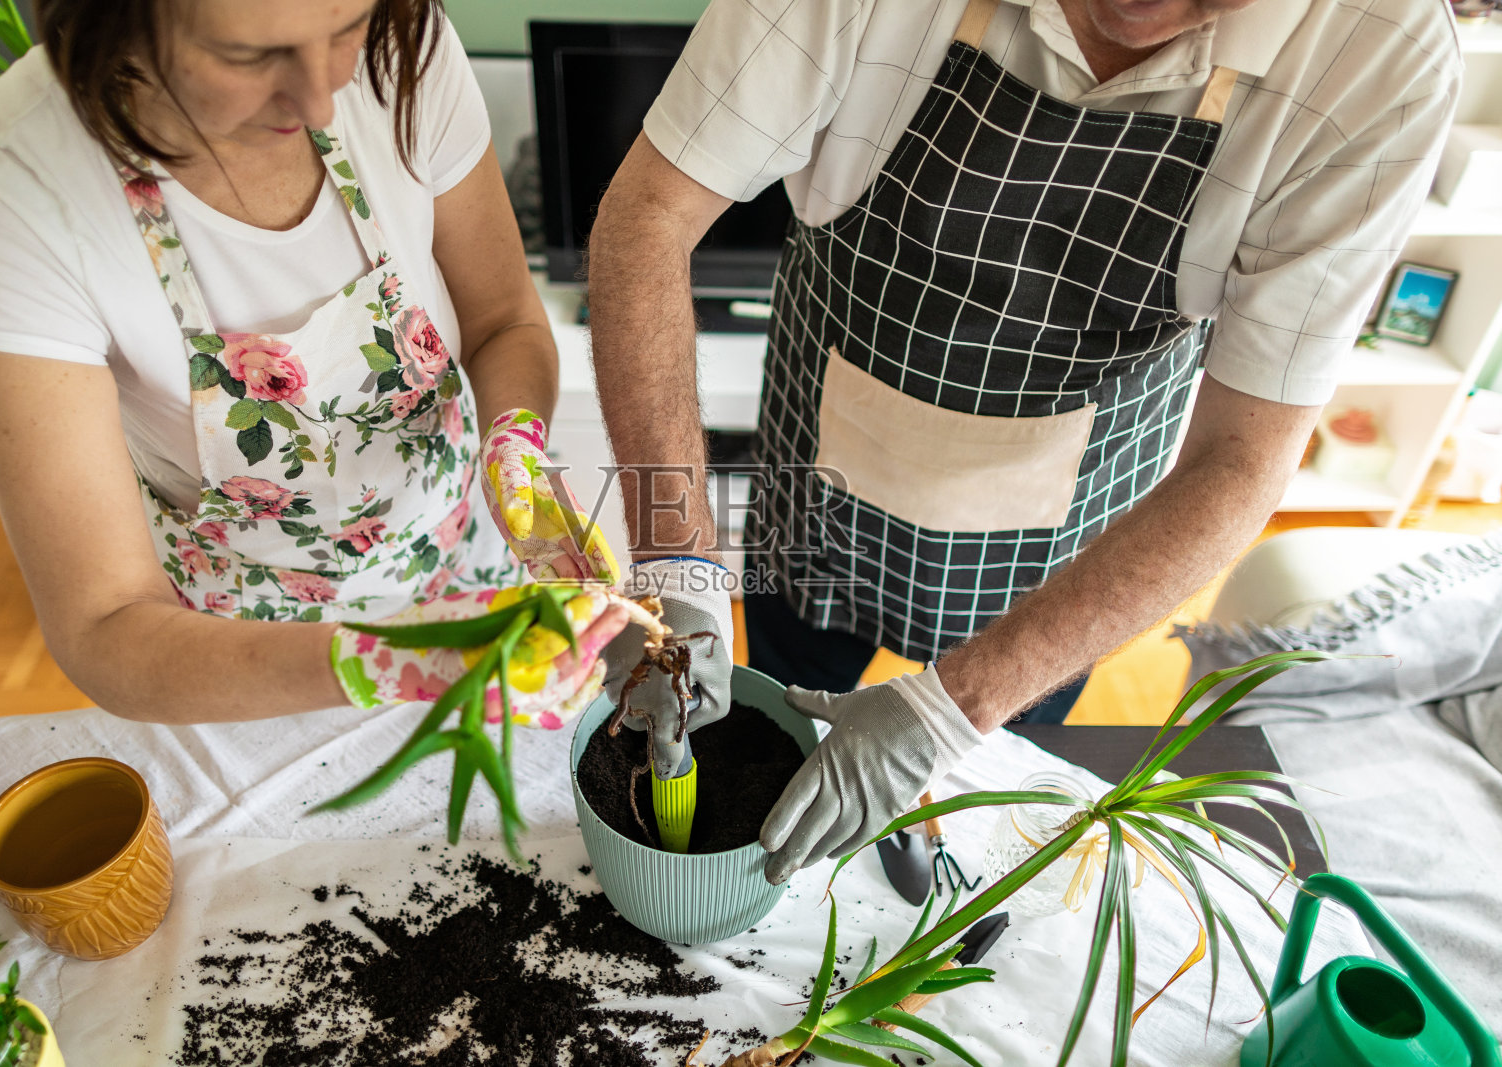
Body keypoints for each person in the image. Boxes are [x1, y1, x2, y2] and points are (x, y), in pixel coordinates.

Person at [589, 0, 1461, 883]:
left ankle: (934, 824)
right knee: (784, 692)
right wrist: (677, 571)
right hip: (822, 475)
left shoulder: (1381, 55)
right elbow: (649, 216)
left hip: (1060, 538)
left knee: (994, 764)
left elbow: (1242, 458)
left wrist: (950, 712)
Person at [0, 0, 623, 727]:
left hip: (465, 557)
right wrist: (393, 659)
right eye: (249, 56)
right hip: (237, 660)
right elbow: (107, 622)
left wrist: (513, 450)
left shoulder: (402, 45)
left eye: (348, 27)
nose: (323, 96)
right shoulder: (7, 195)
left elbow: (502, 319)